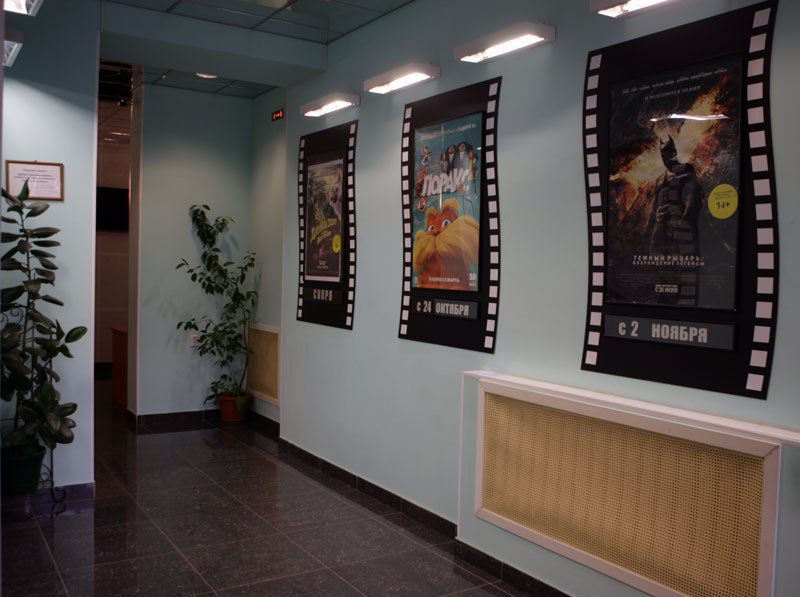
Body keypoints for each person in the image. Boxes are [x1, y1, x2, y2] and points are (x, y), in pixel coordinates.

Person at [647, 135, 704, 306]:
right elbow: (654, 205)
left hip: (680, 227)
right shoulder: (659, 179)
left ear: (674, 151)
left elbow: (693, 195)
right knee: (662, 265)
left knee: (685, 266)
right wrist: (653, 224)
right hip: (661, 229)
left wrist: (685, 218)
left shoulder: (686, 169)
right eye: (662, 154)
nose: (666, 157)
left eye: (668, 152)